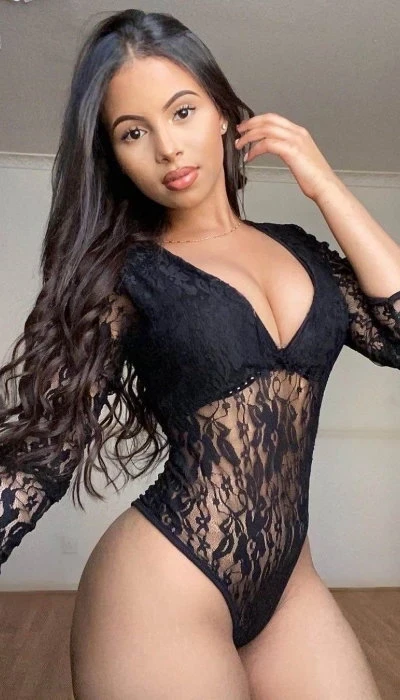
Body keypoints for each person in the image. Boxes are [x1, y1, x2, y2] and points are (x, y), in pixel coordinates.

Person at [0, 8, 397, 699]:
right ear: (114, 155)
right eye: (133, 132)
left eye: (182, 112)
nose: (167, 148)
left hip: (289, 588)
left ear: (221, 113)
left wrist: (326, 185)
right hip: (164, 585)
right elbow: (41, 454)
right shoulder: (123, 276)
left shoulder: (301, 250)